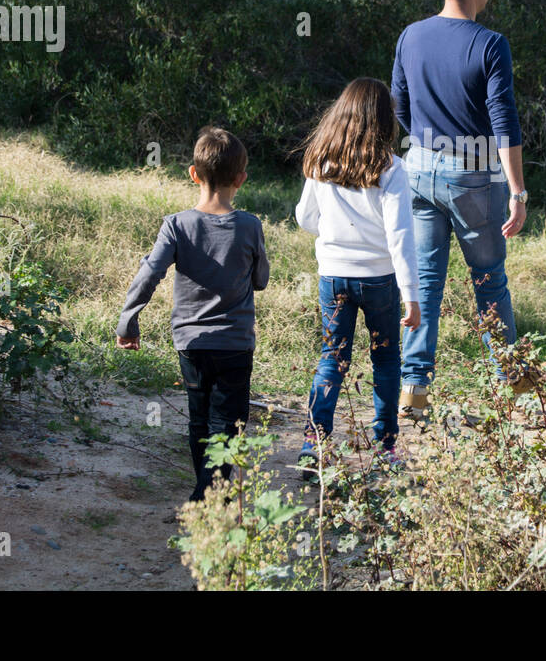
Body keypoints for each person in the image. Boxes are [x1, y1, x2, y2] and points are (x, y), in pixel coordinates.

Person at [390, 0, 528, 418]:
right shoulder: (490, 45)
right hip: (475, 169)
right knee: (489, 279)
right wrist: (518, 191)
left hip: (418, 166)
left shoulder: (410, 36)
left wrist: (427, 147)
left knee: (424, 280)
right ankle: (509, 391)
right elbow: (504, 123)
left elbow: (400, 108)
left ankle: (413, 390)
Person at [115, 126, 269, 503]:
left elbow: (150, 272)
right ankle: (208, 496)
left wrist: (128, 320)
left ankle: (205, 493)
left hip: (191, 342)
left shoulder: (176, 225)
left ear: (193, 174)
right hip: (234, 344)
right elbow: (261, 280)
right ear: (241, 179)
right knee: (228, 423)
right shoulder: (249, 225)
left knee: (199, 418)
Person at [294, 78, 420, 475]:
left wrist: (333, 235)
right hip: (379, 280)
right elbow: (400, 236)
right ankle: (385, 446)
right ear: (384, 120)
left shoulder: (319, 161)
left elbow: (304, 218)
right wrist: (411, 296)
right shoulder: (391, 168)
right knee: (385, 361)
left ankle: (314, 442)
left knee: (332, 359)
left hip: (333, 277)